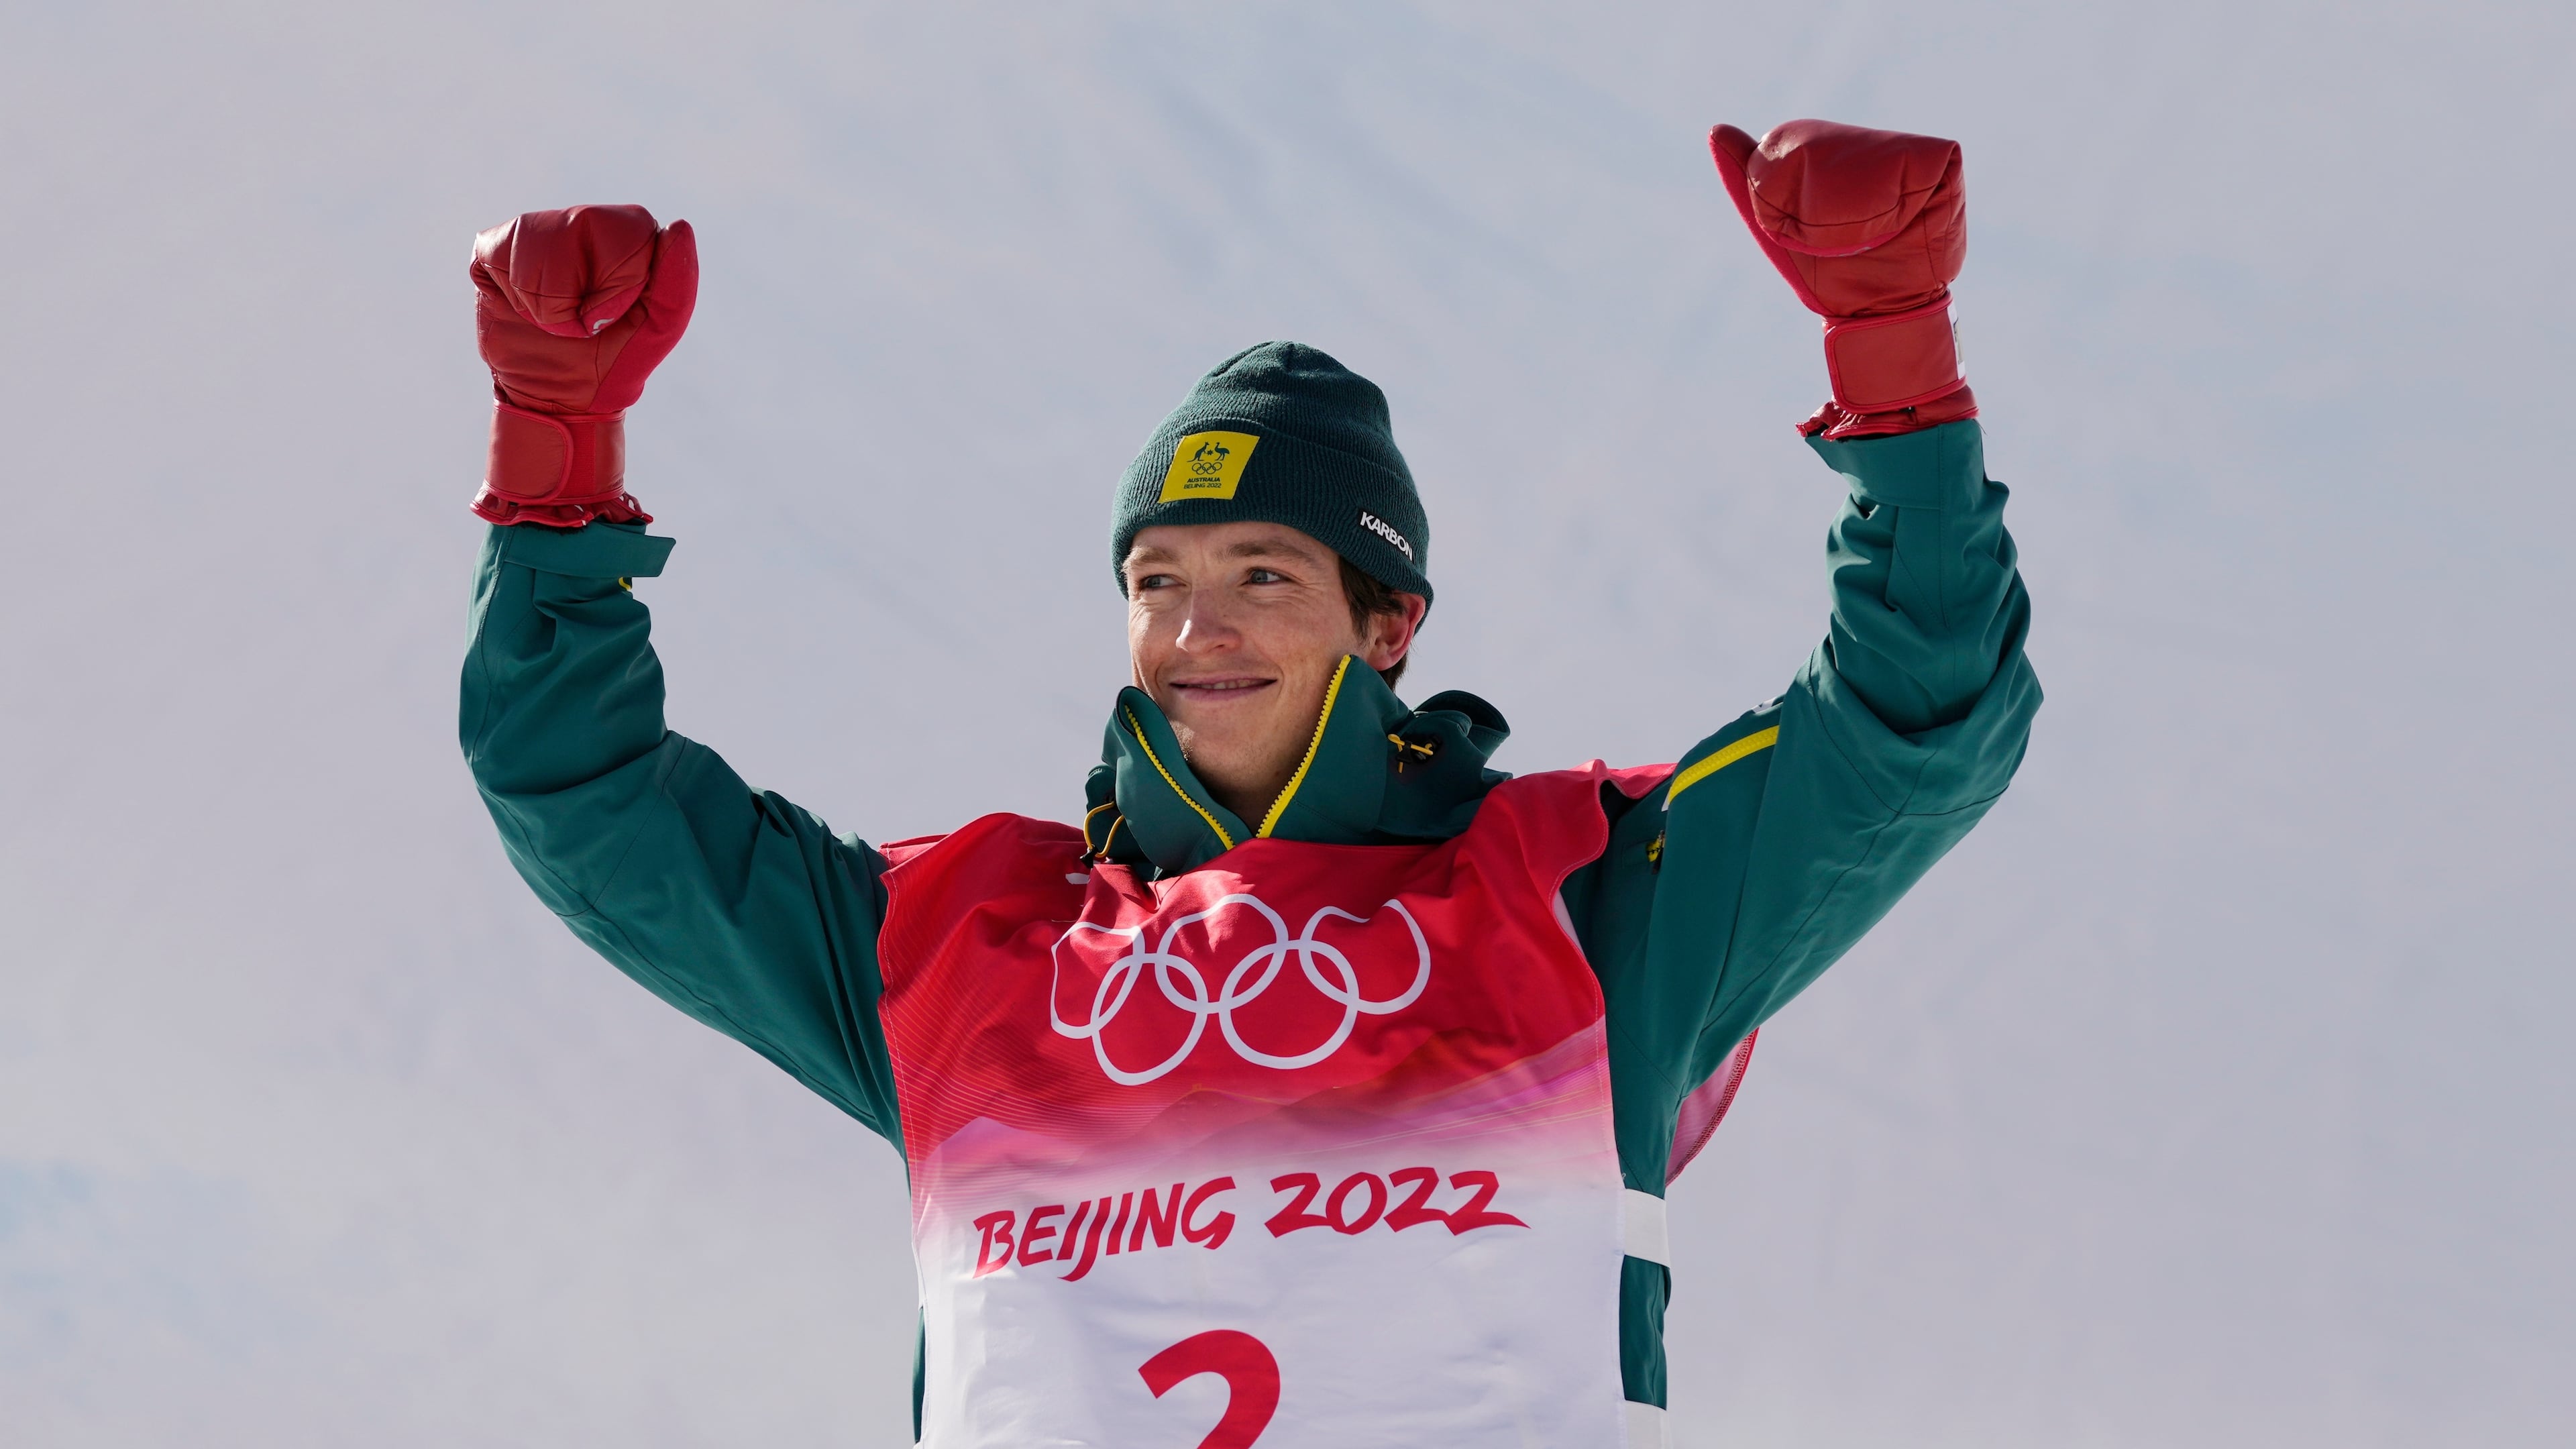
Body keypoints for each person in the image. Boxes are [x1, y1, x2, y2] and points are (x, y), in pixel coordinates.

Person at [459, 118, 2040, 1449]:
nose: (1195, 629)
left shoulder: (1593, 898)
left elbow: (1918, 723)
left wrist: (1895, 369)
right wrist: (555, 458)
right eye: (1157, 579)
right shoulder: (955, 945)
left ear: (1390, 622)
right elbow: (583, 792)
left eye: (1265, 575)